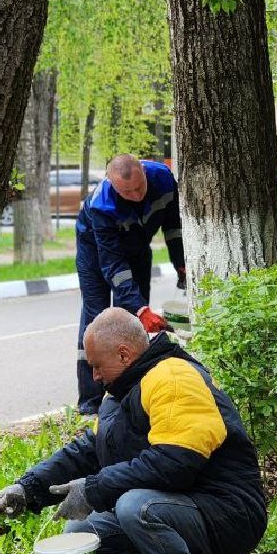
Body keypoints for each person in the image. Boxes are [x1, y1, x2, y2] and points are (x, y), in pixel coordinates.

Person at [0, 308, 266, 554]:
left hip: (229, 512)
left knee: (135, 507)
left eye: (96, 365)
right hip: (186, 506)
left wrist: (95, 488)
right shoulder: (120, 393)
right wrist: (28, 488)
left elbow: (174, 465)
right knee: (82, 530)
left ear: (124, 354)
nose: (93, 376)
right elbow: (86, 453)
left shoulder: (173, 377)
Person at [74, 154, 187, 414]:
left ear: (144, 173)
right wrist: (140, 308)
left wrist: (181, 264)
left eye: (139, 187)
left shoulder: (164, 179)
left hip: (137, 247)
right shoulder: (101, 206)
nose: (136, 195)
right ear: (112, 184)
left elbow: (174, 228)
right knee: (97, 319)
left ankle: (129, 391)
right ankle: (90, 402)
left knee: (133, 325)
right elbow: (113, 266)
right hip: (96, 254)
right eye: (127, 191)